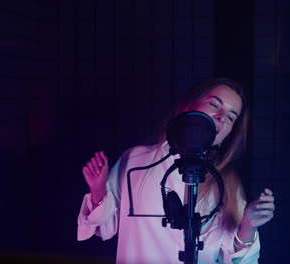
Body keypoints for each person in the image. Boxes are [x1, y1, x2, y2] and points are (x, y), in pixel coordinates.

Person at [77, 78, 275, 263]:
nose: (222, 118)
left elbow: (234, 259)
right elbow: (103, 228)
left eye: (232, 117)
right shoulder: (135, 160)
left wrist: (248, 226)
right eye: (214, 104)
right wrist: (97, 190)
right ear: (188, 106)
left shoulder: (228, 184)